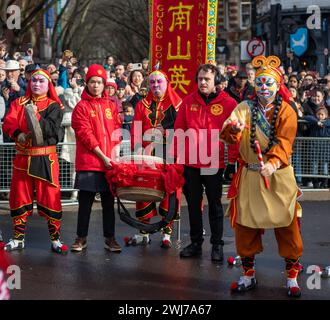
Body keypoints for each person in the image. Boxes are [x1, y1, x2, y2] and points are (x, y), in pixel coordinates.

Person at [220, 55, 303, 297]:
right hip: (251, 175)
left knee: (287, 223)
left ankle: (292, 275)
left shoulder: (287, 111)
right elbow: (228, 134)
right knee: (245, 225)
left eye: (268, 83)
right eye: (260, 83)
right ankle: (248, 273)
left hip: (278, 176)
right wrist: (232, 129)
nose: (264, 87)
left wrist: (274, 162)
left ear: (278, 86)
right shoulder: (244, 107)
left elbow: (285, 141)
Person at [175, 64, 238, 262]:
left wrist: (232, 162)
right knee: (193, 204)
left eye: (207, 79)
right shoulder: (188, 101)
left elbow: (235, 134)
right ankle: (195, 243)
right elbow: (179, 130)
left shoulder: (228, 103)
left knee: (215, 205)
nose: (203, 82)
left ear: (216, 82)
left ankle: (217, 245)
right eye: (200, 79)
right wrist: (176, 159)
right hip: (190, 162)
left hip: (214, 162)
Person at [2, 68, 68, 254]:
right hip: (23, 158)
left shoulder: (54, 106)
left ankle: (55, 240)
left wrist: (34, 113)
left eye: (41, 81)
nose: (36, 84)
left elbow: (51, 130)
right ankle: (18, 238)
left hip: (46, 159)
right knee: (19, 197)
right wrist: (18, 133)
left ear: (48, 85)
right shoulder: (19, 102)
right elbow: (9, 122)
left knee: (50, 197)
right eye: (34, 81)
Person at [70, 64, 122, 253]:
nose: (96, 85)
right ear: (87, 83)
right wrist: (103, 156)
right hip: (89, 163)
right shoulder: (81, 107)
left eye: (99, 82)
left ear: (104, 84)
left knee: (109, 204)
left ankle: (110, 239)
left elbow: (117, 132)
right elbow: (86, 135)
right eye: (92, 82)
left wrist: (115, 156)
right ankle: (80, 238)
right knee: (85, 204)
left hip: (109, 163)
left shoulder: (111, 105)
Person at [129, 69, 182, 248]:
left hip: (169, 154)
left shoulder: (177, 105)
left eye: (159, 82)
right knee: (144, 191)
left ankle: (167, 231)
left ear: (167, 83)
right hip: (146, 154)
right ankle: (144, 230)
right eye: (152, 82)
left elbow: (183, 131)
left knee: (169, 191)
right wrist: (137, 153)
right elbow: (136, 131)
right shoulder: (141, 105)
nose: (156, 85)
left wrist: (165, 133)